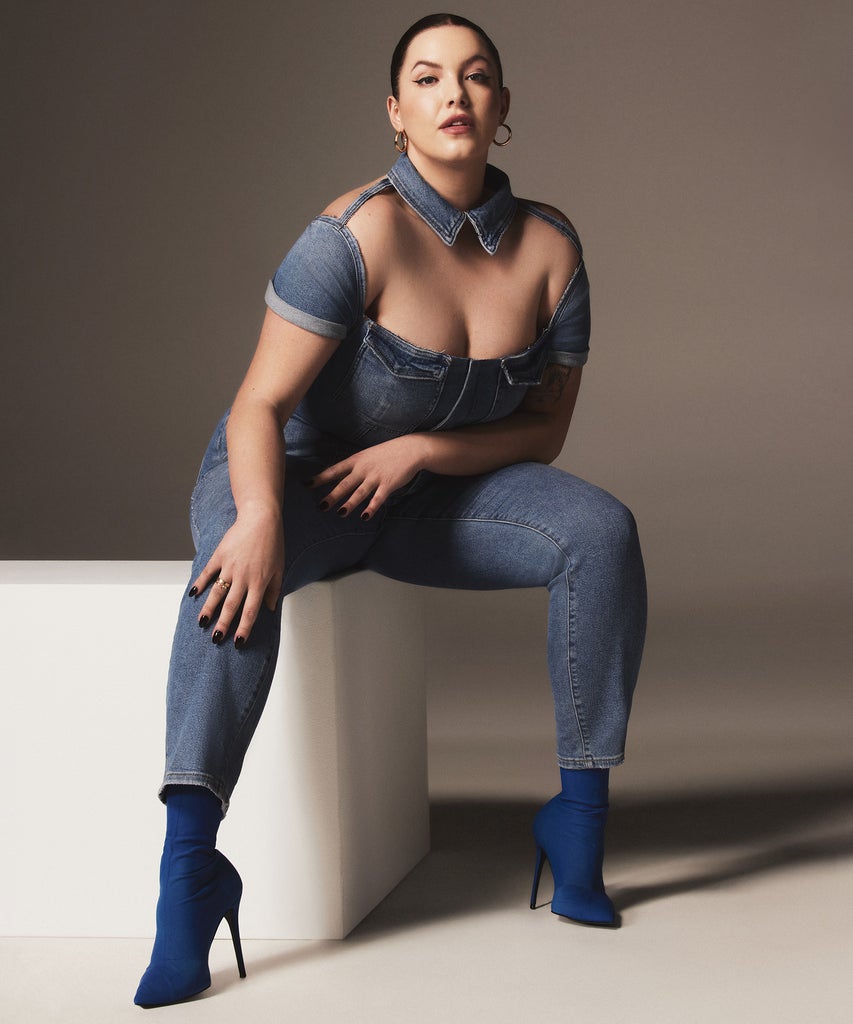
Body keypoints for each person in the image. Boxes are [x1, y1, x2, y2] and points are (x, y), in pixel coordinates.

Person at [134, 13, 646, 1009]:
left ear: (501, 106)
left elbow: (544, 431)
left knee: (600, 532)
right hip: (295, 479)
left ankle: (578, 822)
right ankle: (190, 871)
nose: (453, 94)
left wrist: (419, 450)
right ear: (395, 112)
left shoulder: (551, 248)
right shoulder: (354, 232)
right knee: (233, 576)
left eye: (475, 76)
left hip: (431, 497)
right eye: (427, 77)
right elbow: (258, 404)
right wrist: (259, 514)